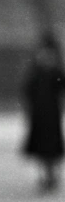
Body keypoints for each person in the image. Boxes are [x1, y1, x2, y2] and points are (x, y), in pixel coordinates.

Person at [22, 34, 65, 192]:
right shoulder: (36, 72)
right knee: (42, 148)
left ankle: (52, 176)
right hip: (39, 115)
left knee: (51, 149)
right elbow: (28, 91)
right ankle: (45, 176)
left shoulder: (55, 72)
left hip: (51, 115)